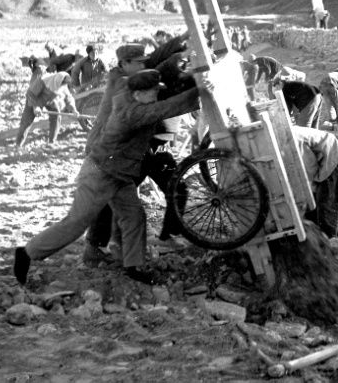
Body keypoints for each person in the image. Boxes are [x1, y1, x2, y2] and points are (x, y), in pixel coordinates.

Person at [13, 69, 202, 286]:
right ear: (138, 94)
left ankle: (133, 266)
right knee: (76, 223)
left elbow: (163, 100)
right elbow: (165, 109)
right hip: (100, 174)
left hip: (119, 174)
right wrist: (201, 91)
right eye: (151, 93)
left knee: (134, 217)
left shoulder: (134, 100)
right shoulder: (132, 112)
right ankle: (27, 253)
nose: (155, 96)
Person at [83, 37, 189, 263]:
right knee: (114, 196)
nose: (145, 64)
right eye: (139, 62)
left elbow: (156, 59)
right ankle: (96, 246)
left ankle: (165, 236)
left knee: (176, 188)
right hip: (125, 149)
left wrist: (183, 39)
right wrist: (179, 60)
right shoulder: (123, 81)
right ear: (125, 62)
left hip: (148, 145)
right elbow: (160, 68)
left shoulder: (134, 72)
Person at [293, 126, 338, 238]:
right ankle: (316, 233)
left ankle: (330, 240)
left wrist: (308, 195)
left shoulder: (294, 142)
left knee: (325, 202)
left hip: (334, 157)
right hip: (323, 157)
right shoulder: (286, 137)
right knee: (314, 200)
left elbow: (309, 169)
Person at [15, 60, 80, 148]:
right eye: (63, 83)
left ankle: (51, 142)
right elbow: (30, 94)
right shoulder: (44, 80)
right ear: (59, 80)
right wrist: (36, 107)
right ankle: (18, 145)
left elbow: (69, 99)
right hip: (34, 99)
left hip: (49, 100)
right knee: (26, 122)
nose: (64, 85)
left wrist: (74, 110)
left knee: (56, 116)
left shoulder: (63, 84)